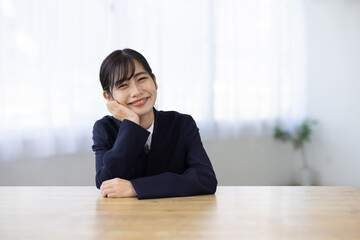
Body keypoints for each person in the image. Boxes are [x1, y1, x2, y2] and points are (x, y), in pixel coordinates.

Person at [92, 48, 217, 199]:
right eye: (123, 85)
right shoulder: (104, 128)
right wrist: (131, 124)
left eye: (142, 79)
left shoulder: (182, 124)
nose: (136, 91)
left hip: (177, 216)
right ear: (108, 96)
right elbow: (106, 183)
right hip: (125, 219)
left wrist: (135, 188)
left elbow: (205, 179)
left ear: (155, 81)